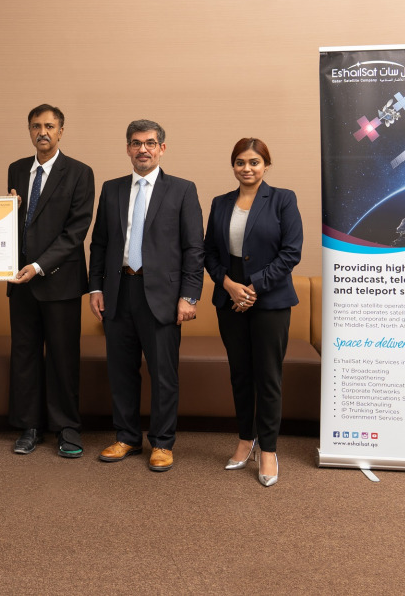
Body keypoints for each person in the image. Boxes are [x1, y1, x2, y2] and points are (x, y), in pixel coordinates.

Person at [88, 119, 203, 472]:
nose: (143, 149)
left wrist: (189, 296)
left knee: (163, 373)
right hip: (118, 291)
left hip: (163, 297)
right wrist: (95, 286)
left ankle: (163, 443)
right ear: (127, 148)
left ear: (162, 148)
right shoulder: (112, 189)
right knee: (121, 371)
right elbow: (100, 243)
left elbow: (193, 248)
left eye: (150, 143)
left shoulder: (182, 190)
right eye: (136, 143)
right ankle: (126, 437)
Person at [203, 137, 302, 487]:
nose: (247, 168)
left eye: (255, 162)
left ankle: (270, 449)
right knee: (240, 374)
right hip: (230, 302)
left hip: (270, 302)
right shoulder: (220, 203)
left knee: (268, 377)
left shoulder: (282, 199)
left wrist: (253, 288)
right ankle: (246, 438)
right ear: (233, 166)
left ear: (266, 166)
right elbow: (209, 254)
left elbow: (291, 253)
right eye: (241, 162)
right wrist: (229, 285)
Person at [6, 104, 94, 458]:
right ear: (29, 131)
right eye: (35, 126)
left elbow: (76, 231)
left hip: (59, 281)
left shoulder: (79, 172)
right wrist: (6, 212)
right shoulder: (16, 169)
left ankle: (67, 427)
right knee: (24, 355)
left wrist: (40, 265)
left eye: (49, 126)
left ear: (61, 131)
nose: (42, 132)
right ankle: (29, 425)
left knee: (62, 356)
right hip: (20, 281)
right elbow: (15, 227)